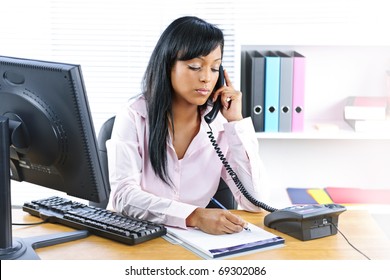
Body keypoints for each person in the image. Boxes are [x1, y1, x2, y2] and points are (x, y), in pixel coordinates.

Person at [107, 16, 267, 235]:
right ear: (167, 65)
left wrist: (236, 123)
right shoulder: (133, 116)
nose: (206, 78)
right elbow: (123, 196)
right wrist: (194, 215)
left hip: (196, 245)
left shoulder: (220, 125)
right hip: (135, 239)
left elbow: (255, 202)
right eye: (195, 66)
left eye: (214, 68)